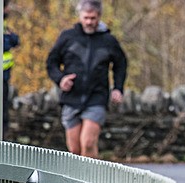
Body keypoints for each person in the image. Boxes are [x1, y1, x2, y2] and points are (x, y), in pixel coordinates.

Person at [46, 0, 127, 158]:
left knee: (88, 143)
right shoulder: (68, 37)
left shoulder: (108, 41)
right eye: (86, 18)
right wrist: (61, 79)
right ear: (80, 16)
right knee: (75, 150)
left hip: (97, 97)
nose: (89, 22)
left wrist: (118, 88)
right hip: (71, 98)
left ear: (99, 17)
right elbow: (51, 62)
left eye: (93, 18)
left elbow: (121, 65)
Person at [2, 0, 19, 139]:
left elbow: (15, 39)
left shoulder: (3, 23)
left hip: (4, 76)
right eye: (7, 7)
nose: (9, 10)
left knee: (4, 113)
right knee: (1, 115)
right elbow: (4, 43)